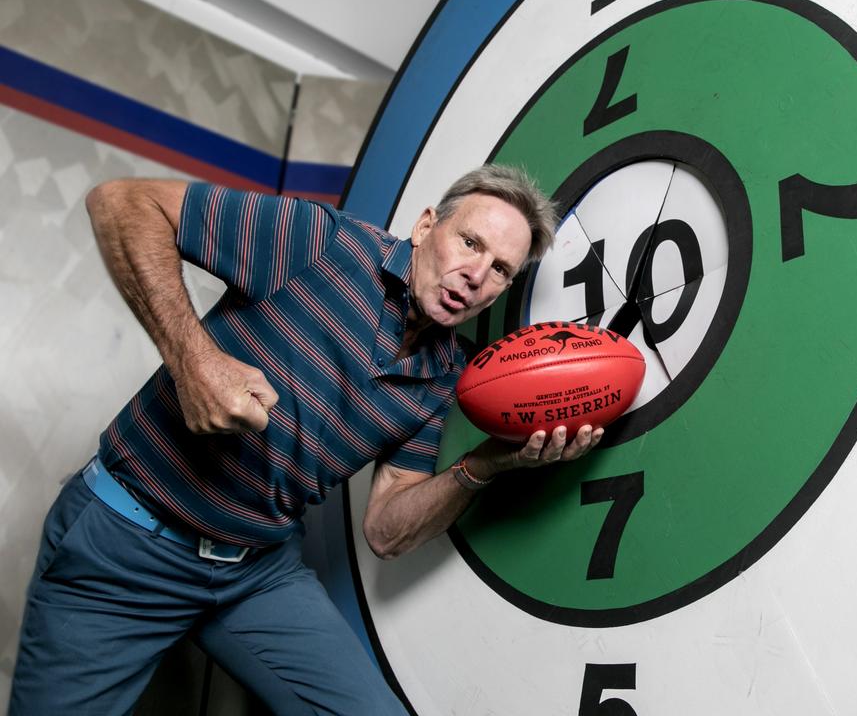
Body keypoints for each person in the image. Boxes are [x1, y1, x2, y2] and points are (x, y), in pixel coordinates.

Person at [9, 164, 602, 714]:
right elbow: (120, 202)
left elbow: (386, 530)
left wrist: (485, 464)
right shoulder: (322, 243)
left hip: (255, 573)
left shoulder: (446, 373)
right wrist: (193, 360)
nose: (476, 276)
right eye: (470, 242)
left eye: (500, 268)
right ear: (426, 227)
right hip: (128, 546)